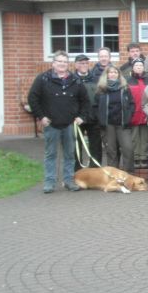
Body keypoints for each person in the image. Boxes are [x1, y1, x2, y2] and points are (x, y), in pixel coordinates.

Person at [27, 50, 89, 193]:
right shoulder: (43, 79)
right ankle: (49, 182)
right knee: (51, 154)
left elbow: (85, 101)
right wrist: (41, 117)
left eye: (65, 62)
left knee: (70, 154)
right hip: (51, 124)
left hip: (69, 124)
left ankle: (68, 181)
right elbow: (32, 98)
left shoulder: (75, 80)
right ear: (53, 63)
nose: (62, 64)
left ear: (68, 64)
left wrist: (81, 116)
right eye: (59, 61)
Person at [94, 65, 136, 173]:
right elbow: (95, 106)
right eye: (110, 72)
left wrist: (128, 116)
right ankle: (113, 176)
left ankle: (128, 174)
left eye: (115, 72)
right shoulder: (101, 90)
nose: (113, 74)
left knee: (128, 149)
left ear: (119, 75)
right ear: (106, 75)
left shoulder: (125, 89)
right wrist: (100, 119)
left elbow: (131, 104)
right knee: (111, 152)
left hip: (123, 124)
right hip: (108, 125)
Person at [73, 54, 102, 170]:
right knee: (76, 146)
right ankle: (77, 171)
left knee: (95, 146)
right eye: (81, 63)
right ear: (76, 65)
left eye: (86, 63)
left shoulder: (96, 79)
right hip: (78, 118)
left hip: (94, 117)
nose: (84, 65)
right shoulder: (72, 80)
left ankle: (95, 170)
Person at [127, 58, 148, 175]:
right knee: (134, 138)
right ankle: (136, 158)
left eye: (141, 65)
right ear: (133, 67)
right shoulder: (128, 81)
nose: (139, 67)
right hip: (133, 113)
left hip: (145, 113)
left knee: (145, 137)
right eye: (136, 65)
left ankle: (144, 157)